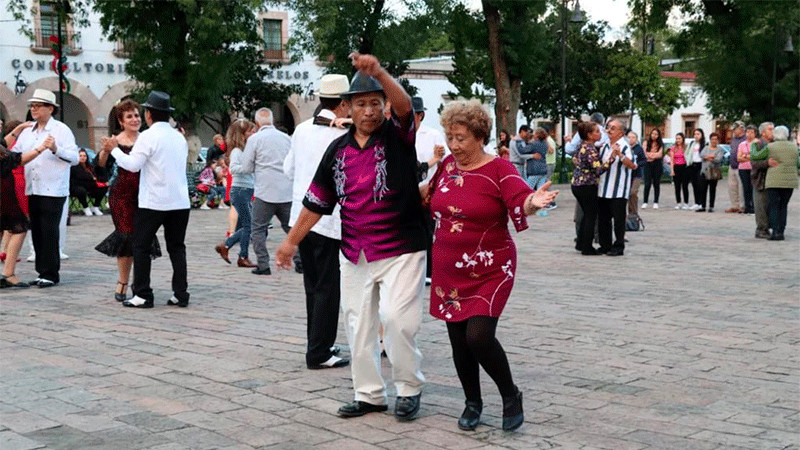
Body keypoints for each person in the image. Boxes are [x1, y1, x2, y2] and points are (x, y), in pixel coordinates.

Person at [275, 52, 427, 422]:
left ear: (384, 106)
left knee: (396, 320)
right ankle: (369, 395)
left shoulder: (399, 136)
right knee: (358, 324)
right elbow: (317, 201)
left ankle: (408, 388)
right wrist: (291, 241)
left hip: (402, 248)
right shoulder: (337, 149)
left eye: (376, 103)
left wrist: (378, 72)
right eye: (362, 104)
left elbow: (405, 105)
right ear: (348, 107)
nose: (370, 111)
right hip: (355, 250)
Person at [425, 99, 558, 431]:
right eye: (450, 137)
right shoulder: (447, 168)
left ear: (480, 136)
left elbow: (519, 197)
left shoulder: (499, 168)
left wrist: (533, 201)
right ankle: (473, 401)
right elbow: (428, 197)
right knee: (458, 340)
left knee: (478, 336)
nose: (454, 145)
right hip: (448, 266)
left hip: (490, 267)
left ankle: (510, 395)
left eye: (461, 138)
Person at [283, 73, 352, 370]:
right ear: (343, 104)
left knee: (312, 284)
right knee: (327, 286)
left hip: (299, 215)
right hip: (328, 219)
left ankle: (318, 342)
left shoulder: (300, 130)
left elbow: (288, 170)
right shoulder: (343, 135)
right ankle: (319, 351)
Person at [107, 91, 191, 308]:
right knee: (177, 247)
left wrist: (114, 150)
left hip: (154, 201)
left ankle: (143, 294)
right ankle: (180, 293)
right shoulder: (178, 137)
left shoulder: (148, 136)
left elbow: (132, 165)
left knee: (140, 246)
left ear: (149, 114)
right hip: (180, 201)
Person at [95, 99, 162, 302]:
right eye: (129, 116)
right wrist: (107, 151)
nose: (135, 119)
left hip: (145, 195)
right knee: (125, 236)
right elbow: (100, 169)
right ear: (121, 121)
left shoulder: (147, 139)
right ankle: (123, 281)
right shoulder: (115, 141)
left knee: (141, 238)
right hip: (121, 196)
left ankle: (140, 285)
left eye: (136, 115)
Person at [13, 89, 78, 288]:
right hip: (33, 187)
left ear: (50, 108)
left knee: (50, 231)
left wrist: (56, 149)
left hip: (53, 188)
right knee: (38, 231)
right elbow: (15, 154)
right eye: (32, 105)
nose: (34, 109)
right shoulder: (28, 131)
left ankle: (51, 273)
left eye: (38, 105)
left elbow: (74, 158)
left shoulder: (61, 130)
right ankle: (41, 271)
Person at [239, 107, 294, 275]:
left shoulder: (255, 139)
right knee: (292, 229)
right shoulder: (286, 138)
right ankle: (301, 262)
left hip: (265, 191)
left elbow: (247, 167)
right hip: (286, 191)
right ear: (272, 121)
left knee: (258, 229)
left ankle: (263, 264)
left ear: (257, 123)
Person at [1, 140, 50, 288]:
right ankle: (9, 273)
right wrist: (40, 148)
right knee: (19, 228)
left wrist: (20, 128)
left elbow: (7, 139)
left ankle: (9, 273)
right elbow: (19, 159)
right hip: (4, 194)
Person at [215, 119, 257, 267]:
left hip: (246, 190)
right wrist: (248, 167)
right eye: (249, 131)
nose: (253, 133)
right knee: (248, 225)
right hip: (240, 191)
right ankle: (238, 253)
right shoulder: (237, 151)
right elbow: (233, 169)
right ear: (241, 134)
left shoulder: (245, 150)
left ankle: (232, 249)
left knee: (246, 226)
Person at [597, 119, 637, 256]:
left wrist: (620, 155)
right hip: (603, 188)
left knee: (618, 220)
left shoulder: (625, 146)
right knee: (603, 219)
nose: (609, 131)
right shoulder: (604, 145)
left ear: (621, 132)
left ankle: (619, 246)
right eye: (608, 128)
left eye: (613, 128)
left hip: (618, 189)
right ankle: (605, 245)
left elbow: (633, 165)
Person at [572, 122, 611, 256]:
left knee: (586, 214)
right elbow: (598, 169)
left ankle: (580, 242)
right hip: (587, 185)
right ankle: (587, 247)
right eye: (596, 132)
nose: (599, 134)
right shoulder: (590, 149)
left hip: (577, 184)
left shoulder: (581, 146)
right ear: (589, 135)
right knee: (591, 216)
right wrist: (610, 160)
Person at [762, 126, 798, 240]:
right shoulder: (794, 147)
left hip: (774, 180)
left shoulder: (770, 147)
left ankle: (775, 232)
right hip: (790, 180)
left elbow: (756, 156)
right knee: (783, 205)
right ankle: (782, 230)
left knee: (774, 206)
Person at [749, 122, 774, 239]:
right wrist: (766, 163)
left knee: (769, 205)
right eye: (770, 129)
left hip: (772, 180)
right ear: (763, 132)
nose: (772, 131)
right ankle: (761, 229)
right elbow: (753, 162)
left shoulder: (774, 144)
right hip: (760, 179)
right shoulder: (758, 145)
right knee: (760, 206)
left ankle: (767, 228)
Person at [70, 149, 108, 216]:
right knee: (81, 191)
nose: (82, 157)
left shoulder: (89, 166)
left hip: (89, 186)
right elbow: (80, 176)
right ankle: (85, 207)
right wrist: (92, 178)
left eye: (84, 156)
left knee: (103, 187)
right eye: (80, 156)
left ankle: (96, 207)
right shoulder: (73, 166)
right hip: (77, 187)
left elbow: (95, 176)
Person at [697, 132, 724, 212]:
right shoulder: (706, 148)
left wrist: (707, 157)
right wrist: (711, 156)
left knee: (712, 189)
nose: (714, 141)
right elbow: (701, 156)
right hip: (704, 171)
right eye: (712, 139)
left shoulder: (720, 149)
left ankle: (711, 206)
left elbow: (718, 159)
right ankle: (703, 206)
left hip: (714, 172)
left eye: (716, 139)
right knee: (703, 189)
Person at [517, 128, 549, 192]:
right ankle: (540, 201)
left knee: (528, 189)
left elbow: (522, 150)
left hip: (534, 170)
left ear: (537, 135)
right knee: (540, 190)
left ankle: (529, 201)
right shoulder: (545, 144)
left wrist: (518, 141)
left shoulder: (534, 144)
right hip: (543, 170)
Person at [737, 125, 758, 215]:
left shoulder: (758, 143)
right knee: (746, 188)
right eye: (748, 132)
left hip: (753, 168)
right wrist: (748, 157)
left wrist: (745, 156)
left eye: (751, 132)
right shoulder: (742, 144)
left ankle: (754, 207)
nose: (749, 134)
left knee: (753, 188)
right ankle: (747, 207)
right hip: (743, 168)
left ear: (755, 133)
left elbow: (756, 156)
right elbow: (738, 158)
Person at [726, 121, 746, 213]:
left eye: (735, 129)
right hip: (732, 165)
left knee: (741, 188)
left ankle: (742, 206)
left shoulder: (745, 139)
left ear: (741, 129)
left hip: (741, 166)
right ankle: (734, 205)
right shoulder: (734, 139)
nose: (733, 131)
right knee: (732, 187)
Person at [642, 128, 664, 209]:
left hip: (657, 165)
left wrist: (651, 155)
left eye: (656, 134)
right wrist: (652, 155)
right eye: (653, 134)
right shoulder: (646, 142)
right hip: (647, 164)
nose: (654, 135)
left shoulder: (660, 144)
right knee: (647, 183)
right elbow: (644, 153)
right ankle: (645, 202)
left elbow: (660, 155)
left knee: (656, 183)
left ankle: (656, 202)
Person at [627, 131, 646, 217]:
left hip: (637, 174)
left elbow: (644, 160)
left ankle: (633, 213)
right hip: (627, 174)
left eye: (633, 137)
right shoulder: (625, 147)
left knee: (633, 193)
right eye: (629, 137)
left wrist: (637, 165)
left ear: (636, 139)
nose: (630, 139)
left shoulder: (639, 148)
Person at [669, 132, 690, 210]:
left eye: (679, 138)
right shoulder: (673, 148)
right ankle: (678, 203)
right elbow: (672, 160)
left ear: (683, 139)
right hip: (676, 167)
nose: (678, 140)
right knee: (677, 186)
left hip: (685, 167)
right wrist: (672, 170)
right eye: (676, 138)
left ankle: (686, 203)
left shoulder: (686, 147)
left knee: (685, 186)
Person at [687, 129, 705, 210]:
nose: (696, 136)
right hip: (692, 164)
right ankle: (696, 202)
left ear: (701, 135)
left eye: (698, 134)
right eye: (695, 134)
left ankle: (701, 202)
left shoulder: (704, 144)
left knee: (700, 184)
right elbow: (687, 153)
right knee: (694, 184)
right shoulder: (692, 144)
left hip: (700, 165)